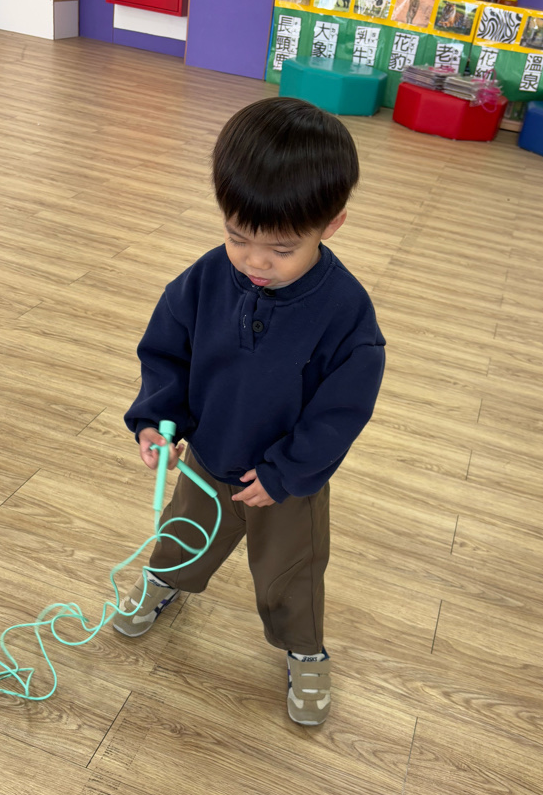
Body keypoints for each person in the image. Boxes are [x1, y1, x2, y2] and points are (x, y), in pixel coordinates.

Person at [117, 97, 386, 726]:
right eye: (238, 237)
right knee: (183, 534)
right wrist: (156, 421)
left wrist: (287, 471)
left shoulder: (346, 315)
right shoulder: (204, 280)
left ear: (332, 224)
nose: (256, 261)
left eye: (282, 249)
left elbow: (342, 409)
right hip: (207, 456)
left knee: (290, 571)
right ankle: (165, 583)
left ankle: (304, 648)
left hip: (286, 480)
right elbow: (167, 353)